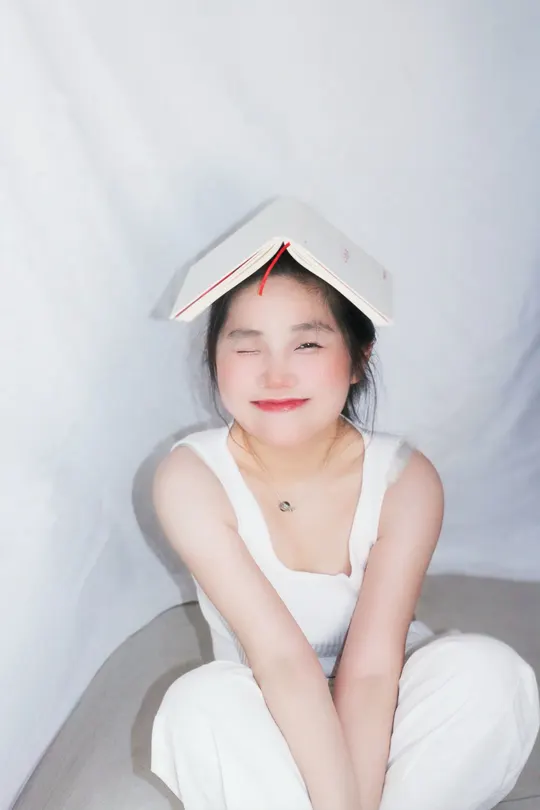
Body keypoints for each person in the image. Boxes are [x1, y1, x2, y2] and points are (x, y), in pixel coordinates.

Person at [150, 254, 539, 810]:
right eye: (247, 346)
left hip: (388, 696)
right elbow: (280, 661)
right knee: (199, 703)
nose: (276, 375)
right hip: (269, 703)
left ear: (358, 358)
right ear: (215, 359)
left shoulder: (405, 478)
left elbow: (375, 669)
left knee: (489, 674)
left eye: (307, 344)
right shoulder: (191, 478)